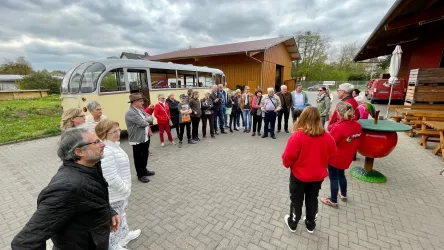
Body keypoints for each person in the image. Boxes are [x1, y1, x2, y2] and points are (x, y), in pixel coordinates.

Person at [11, 127, 120, 249]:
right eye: (96, 142)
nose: (103, 144)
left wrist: (109, 211)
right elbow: (25, 243)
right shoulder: (67, 187)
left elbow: (93, 195)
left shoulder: (91, 166)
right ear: (79, 152)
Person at [281, 107, 338, 234]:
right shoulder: (327, 136)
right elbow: (333, 154)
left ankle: (293, 223)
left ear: (303, 117)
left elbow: (288, 157)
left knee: (296, 199)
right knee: (312, 198)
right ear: (318, 119)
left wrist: (289, 164)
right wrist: (321, 161)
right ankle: (310, 224)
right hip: (317, 176)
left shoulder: (298, 136)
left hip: (299, 176)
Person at [95, 120, 141, 249]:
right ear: (104, 134)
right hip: (115, 195)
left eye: (118, 130)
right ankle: (114, 246)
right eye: (114, 131)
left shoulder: (114, 145)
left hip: (121, 193)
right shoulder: (107, 150)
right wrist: (126, 190)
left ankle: (125, 235)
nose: (118, 133)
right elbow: (111, 177)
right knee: (115, 222)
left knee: (122, 215)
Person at [321, 102, 362, 208]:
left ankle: (333, 200)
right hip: (347, 157)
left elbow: (329, 143)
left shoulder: (340, 128)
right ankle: (343, 194)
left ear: (339, 113)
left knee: (333, 178)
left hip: (335, 158)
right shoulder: (357, 126)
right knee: (341, 175)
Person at [124, 94, 155, 183]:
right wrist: (146, 120)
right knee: (138, 157)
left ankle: (144, 170)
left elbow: (150, 117)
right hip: (137, 139)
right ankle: (140, 175)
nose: (142, 103)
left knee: (145, 155)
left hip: (145, 136)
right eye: (140, 101)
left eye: (142, 101)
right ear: (134, 102)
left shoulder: (140, 110)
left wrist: (146, 119)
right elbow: (144, 123)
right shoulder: (131, 112)